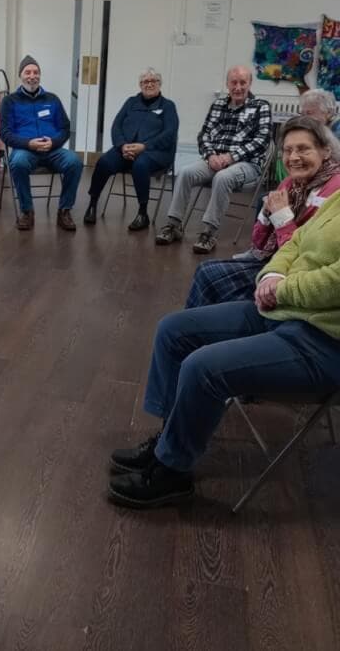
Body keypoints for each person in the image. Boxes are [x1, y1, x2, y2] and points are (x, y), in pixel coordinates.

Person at [108, 178, 340, 509]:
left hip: (323, 341)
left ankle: (172, 472)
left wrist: (282, 289)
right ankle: (168, 441)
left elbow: (335, 282)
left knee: (203, 368)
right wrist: (271, 275)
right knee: (173, 330)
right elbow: (295, 242)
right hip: (282, 311)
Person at [185, 117, 340, 308]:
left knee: (211, 278)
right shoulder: (290, 184)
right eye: (288, 150)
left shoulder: (335, 192)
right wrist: (267, 215)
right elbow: (258, 244)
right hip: (276, 263)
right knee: (205, 270)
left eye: (303, 149)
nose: (293, 158)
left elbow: (307, 256)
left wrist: (282, 217)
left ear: (326, 151)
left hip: (299, 279)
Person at [158, 65, 271, 253]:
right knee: (185, 172)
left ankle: (209, 233)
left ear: (250, 83)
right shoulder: (218, 104)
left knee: (223, 177)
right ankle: (173, 225)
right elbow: (204, 135)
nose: (238, 87)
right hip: (215, 159)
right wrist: (210, 155)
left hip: (246, 163)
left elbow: (263, 140)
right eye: (234, 82)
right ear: (227, 84)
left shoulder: (261, 106)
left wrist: (230, 157)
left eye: (243, 82)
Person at [83, 69, 179, 231]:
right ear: (140, 85)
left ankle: (143, 213)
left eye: (153, 81)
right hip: (126, 149)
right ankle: (92, 204)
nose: (149, 84)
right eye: (145, 82)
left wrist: (144, 146)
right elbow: (116, 126)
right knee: (104, 162)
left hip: (156, 152)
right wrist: (122, 146)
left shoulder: (168, 106)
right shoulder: (131, 102)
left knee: (140, 165)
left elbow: (169, 134)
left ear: (159, 84)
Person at [0, 55, 84, 231]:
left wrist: (53, 142)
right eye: (28, 72)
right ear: (20, 76)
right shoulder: (10, 101)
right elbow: (4, 133)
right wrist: (29, 144)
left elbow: (65, 128)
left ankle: (64, 211)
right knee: (18, 162)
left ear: (40, 75)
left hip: (53, 150)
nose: (32, 76)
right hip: (25, 150)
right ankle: (27, 211)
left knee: (75, 162)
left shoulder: (52, 99)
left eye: (36, 72)